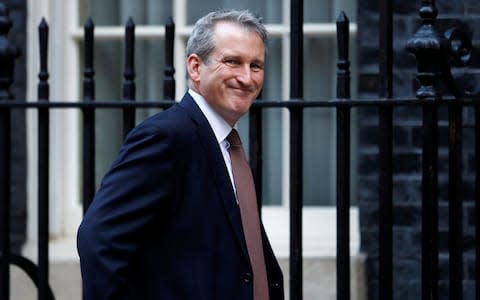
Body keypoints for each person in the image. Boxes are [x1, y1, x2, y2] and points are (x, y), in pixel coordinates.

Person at [77, 9, 284, 300]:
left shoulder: (226, 142)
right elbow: (98, 241)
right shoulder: (167, 136)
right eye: (233, 62)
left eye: (256, 65)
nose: (247, 78)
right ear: (195, 67)